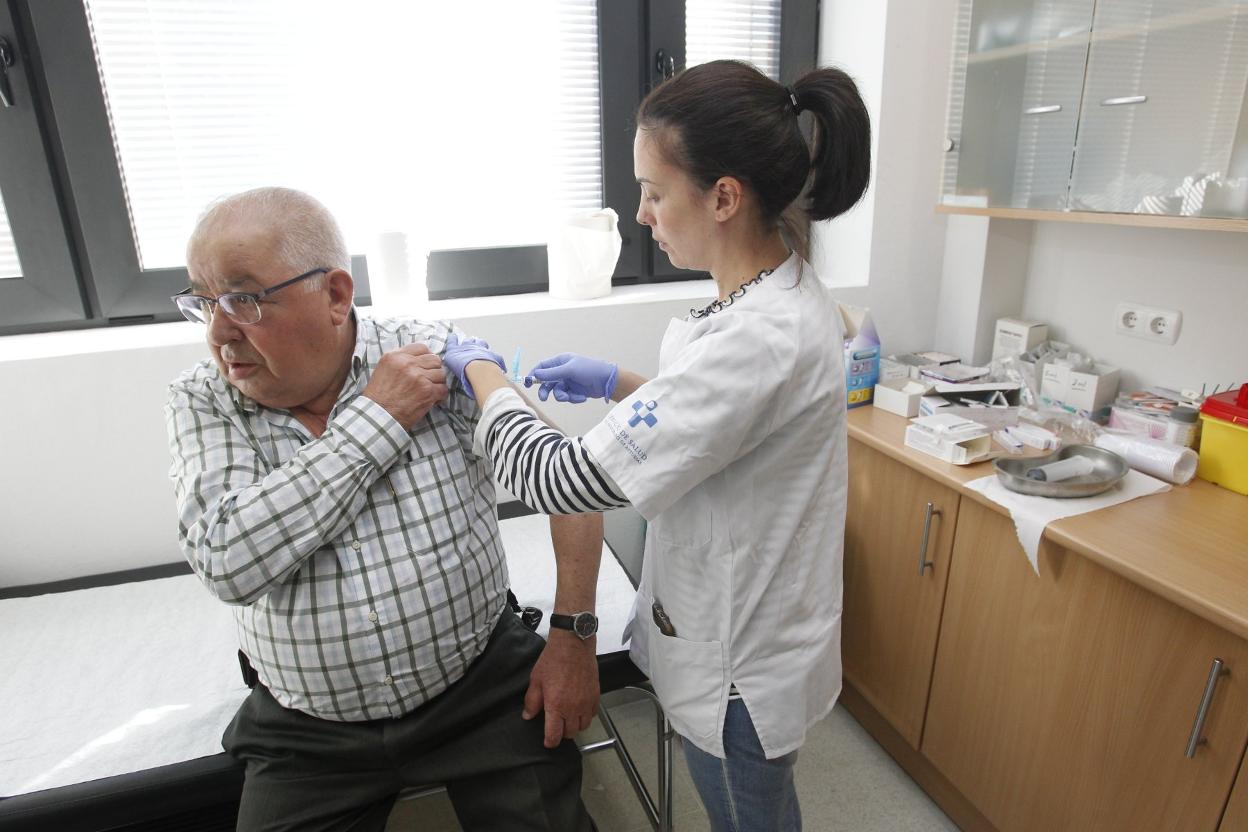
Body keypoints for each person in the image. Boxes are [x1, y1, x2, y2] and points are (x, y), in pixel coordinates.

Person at [442, 60, 871, 831]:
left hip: (741, 659)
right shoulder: (776, 290)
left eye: (653, 191)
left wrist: (481, 375)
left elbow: (560, 480)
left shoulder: (758, 337)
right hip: (759, 623)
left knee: (749, 816)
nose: (640, 214)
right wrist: (618, 382)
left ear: (724, 197)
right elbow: (723, 428)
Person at [164, 187, 604, 832]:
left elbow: (569, 483)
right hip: (308, 729)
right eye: (203, 302)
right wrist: (379, 416)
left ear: (337, 296)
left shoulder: (435, 355)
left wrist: (573, 636)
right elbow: (229, 562)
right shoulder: (202, 400)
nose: (218, 332)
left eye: (244, 300)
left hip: (477, 685)